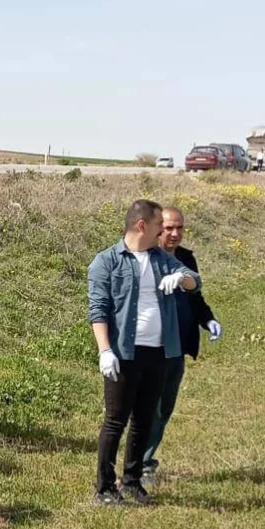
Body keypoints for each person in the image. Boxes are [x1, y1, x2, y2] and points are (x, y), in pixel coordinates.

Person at [88, 199, 201, 506]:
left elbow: (195, 282)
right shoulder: (107, 262)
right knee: (116, 421)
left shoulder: (162, 259)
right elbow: (98, 309)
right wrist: (105, 350)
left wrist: (183, 278)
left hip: (159, 352)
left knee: (144, 418)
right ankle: (104, 488)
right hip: (124, 354)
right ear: (142, 226)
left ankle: (132, 481)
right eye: (158, 226)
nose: (163, 232)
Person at [142, 207, 221, 481]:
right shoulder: (145, 258)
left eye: (180, 228)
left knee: (164, 407)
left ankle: (144, 459)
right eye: (169, 228)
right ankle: (140, 466)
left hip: (178, 345)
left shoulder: (186, 258)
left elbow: (195, 298)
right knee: (148, 407)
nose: (175, 234)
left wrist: (208, 319)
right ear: (156, 228)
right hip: (151, 345)